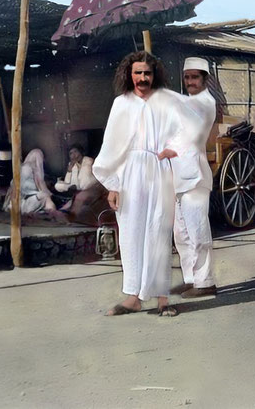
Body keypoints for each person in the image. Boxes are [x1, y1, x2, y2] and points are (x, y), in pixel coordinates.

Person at [92, 50, 195, 317]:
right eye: (137, 73)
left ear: (154, 75)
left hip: (160, 170)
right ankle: (133, 297)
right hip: (130, 174)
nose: (142, 78)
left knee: (159, 233)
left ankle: (163, 300)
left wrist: (171, 151)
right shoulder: (121, 104)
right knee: (131, 233)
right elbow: (112, 147)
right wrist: (113, 185)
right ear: (130, 74)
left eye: (147, 73)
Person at [170, 57, 218, 297]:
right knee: (181, 233)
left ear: (204, 79)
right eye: (187, 77)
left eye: (194, 77)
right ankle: (191, 278)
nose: (190, 82)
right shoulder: (188, 102)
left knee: (198, 232)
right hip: (178, 178)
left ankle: (206, 282)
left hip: (196, 177)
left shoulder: (206, 103)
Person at [3, 148, 58, 215]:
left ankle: (51, 212)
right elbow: (39, 187)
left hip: (19, 201)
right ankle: (53, 214)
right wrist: (50, 193)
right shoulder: (29, 168)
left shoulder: (23, 168)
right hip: (22, 203)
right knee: (46, 196)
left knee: (44, 196)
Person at [54, 144, 98, 209]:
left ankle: (79, 191)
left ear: (81, 152)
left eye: (75, 152)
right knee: (57, 185)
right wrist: (69, 171)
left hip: (89, 186)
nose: (74, 155)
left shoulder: (88, 160)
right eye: (71, 153)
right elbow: (67, 181)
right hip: (76, 186)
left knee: (85, 171)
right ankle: (77, 190)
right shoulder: (71, 164)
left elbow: (85, 177)